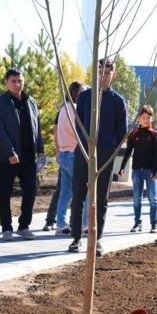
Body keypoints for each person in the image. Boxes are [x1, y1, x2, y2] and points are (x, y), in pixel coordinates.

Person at [68, 58, 128, 256]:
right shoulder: (84, 97)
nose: (103, 76)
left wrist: (111, 151)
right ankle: (76, 238)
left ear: (113, 75)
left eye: (108, 73)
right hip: (84, 151)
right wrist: (86, 143)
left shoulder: (118, 101)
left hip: (106, 153)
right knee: (78, 195)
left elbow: (122, 133)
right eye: (100, 72)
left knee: (101, 198)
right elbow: (79, 125)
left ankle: (97, 239)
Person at [0, 68, 45, 241]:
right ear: (6, 83)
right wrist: (10, 153)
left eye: (20, 80)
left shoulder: (31, 102)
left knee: (30, 189)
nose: (17, 84)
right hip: (7, 158)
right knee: (5, 192)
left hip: (28, 156)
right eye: (13, 81)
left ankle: (24, 225)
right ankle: (6, 228)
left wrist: (41, 151)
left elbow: (38, 128)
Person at [45, 81, 86, 236]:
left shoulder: (63, 109)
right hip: (74, 154)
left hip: (63, 154)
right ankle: (80, 224)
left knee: (65, 191)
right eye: (83, 91)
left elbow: (56, 132)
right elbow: (81, 132)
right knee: (81, 191)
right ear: (75, 93)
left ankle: (60, 224)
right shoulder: (75, 110)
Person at [119, 104, 157, 233]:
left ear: (152, 119)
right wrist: (122, 167)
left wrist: (155, 171)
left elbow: (156, 154)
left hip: (150, 171)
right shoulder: (133, 134)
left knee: (152, 198)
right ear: (138, 119)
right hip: (136, 170)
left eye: (148, 117)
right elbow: (128, 151)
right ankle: (137, 222)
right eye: (143, 117)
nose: (146, 120)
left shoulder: (154, 134)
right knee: (137, 198)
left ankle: (154, 223)